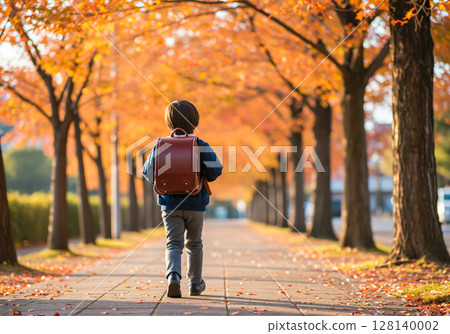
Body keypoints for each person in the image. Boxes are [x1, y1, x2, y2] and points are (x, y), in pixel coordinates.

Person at [142, 100, 223, 298]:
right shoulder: (200, 145)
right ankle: (195, 284)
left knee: (173, 243)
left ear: (169, 122)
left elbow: (148, 173)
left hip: (169, 204)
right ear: (195, 121)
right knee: (194, 243)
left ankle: (173, 277)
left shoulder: (160, 145)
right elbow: (215, 170)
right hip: (196, 203)